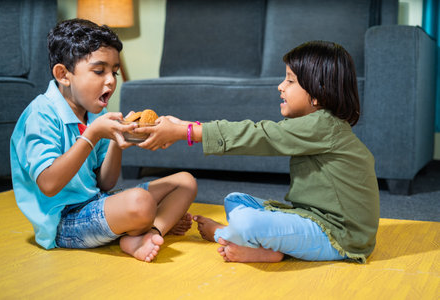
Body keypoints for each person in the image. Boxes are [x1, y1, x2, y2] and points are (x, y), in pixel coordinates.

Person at [137, 41, 380, 264]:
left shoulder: (323, 125)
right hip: (310, 218)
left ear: (318, 92)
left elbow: (257, 135)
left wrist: (184, 132)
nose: (280, 86)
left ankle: (225, 235)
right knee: (236, 200)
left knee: (245, 221)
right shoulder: (319, 124)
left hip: (340, 237)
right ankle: (267, 249)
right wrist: (183, 126)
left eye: (290, 81)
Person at [10, 19, 197, 262]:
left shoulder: (94, 115)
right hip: (63, 223)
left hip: (95, 202)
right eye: (99, 71)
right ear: (63, 75)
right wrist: (92, 134)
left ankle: (149, 232)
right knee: (141, 203)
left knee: (185, 182)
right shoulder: (40, 114)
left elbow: (105, 183)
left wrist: (118, 142)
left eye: (114, 72)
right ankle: (146, 224)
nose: (110, 80)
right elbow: (48, 184)